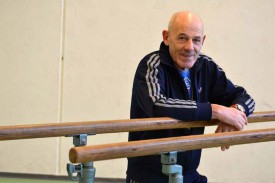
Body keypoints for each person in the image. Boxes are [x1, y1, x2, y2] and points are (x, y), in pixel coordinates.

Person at [126, 11, 255, 183]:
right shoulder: (151, 65)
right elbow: (156, 104)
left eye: (195, 40)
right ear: (166, 37)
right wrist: (216, 111)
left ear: (203, 41)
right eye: (182, 38)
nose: (189, 47)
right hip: (149, 177)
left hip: (188, 174)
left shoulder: (205, 65)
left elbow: (244, 97)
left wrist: (235, 112)